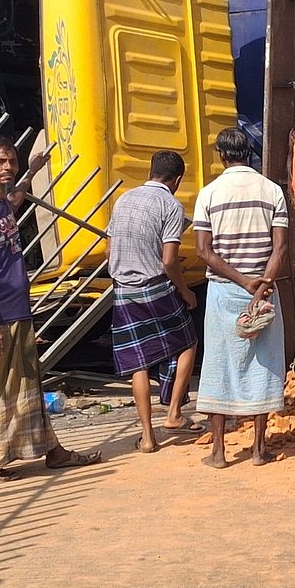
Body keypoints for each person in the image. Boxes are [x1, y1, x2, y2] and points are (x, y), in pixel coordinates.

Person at [0, 136, 102, 481]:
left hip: (18, 312)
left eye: (11, 161)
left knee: (27, 385)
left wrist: (33, 170)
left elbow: (15, 199)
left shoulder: (1, 205)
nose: (6, 167)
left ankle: (52, 451)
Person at [193, 128, 289, 468]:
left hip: (223, 292)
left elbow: (204, 250)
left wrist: (243, 281)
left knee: (220, 366)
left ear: (222, 155)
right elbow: (280, 247)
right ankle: (259, 450)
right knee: (263, 365)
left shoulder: (208, 194)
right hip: (263, 292)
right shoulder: (272, 191)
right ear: (249, 153)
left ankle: (218, 452)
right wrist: (262, 283)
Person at [107, 150, 204, 454]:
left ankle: (148, 437)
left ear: (150, 172)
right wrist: (186, 291)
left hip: (123, 289)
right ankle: (174, 412)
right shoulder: (170, 205)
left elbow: (109, 250)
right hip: (155, 288)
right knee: (187, 341)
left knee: (139, 362)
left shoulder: (123, 199)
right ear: (177, 180)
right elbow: (169, 259)